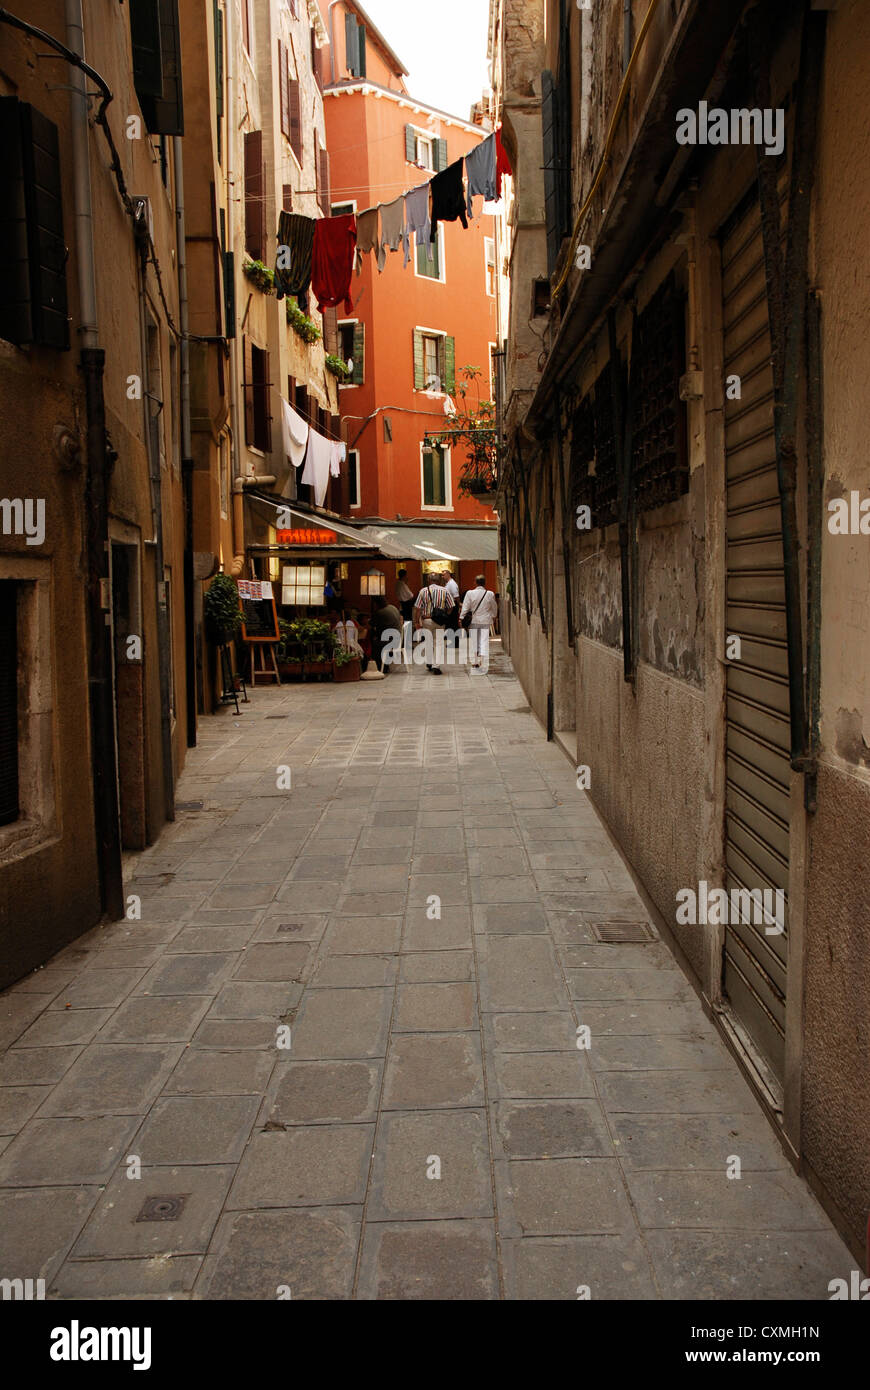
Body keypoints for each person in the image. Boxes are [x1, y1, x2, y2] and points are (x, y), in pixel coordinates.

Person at [413, 573, 455, 675]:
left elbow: (418, 608)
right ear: (439, 580)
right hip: (440, 621)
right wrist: (445, 614)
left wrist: (416, 622)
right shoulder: (445, 590)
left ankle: (430, 662)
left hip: (427, 620)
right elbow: (451, 606)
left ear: (428, 580)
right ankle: (436, 666)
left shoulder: (423, 591)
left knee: (428, 641)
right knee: (439, 643)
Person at [460, 575, 499, 669]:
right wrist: (494, 616)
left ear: (475, 582)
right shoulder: (490, 594)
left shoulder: (470, 593)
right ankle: (483, 661)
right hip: (485, 620)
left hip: (475, 620)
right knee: (484, 640)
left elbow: (465, 606)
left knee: (474, 640)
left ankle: (475, 661)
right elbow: (494, 606)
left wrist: (461, 617)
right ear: (484, 583)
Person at [371, 595, 402, 673]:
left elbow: (371, 624)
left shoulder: (380, 612)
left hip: (391, 641)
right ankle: (384, 665)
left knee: (374, 643)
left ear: (376, 603)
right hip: (398, 639)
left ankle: (379, 667)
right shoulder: (392, 607)